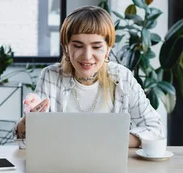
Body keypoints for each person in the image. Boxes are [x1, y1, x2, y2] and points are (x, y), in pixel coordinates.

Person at [15, 5, 165, 148]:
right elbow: (24, 143)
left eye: (97, 47)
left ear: (107, 49)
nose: (87, 56)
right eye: (78, 46)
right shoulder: (50, 76)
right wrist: (30, 120)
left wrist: (110, 141)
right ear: (66, 48)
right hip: (63, 168)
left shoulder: (123, 77)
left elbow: (156, 130)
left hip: (109, 166)